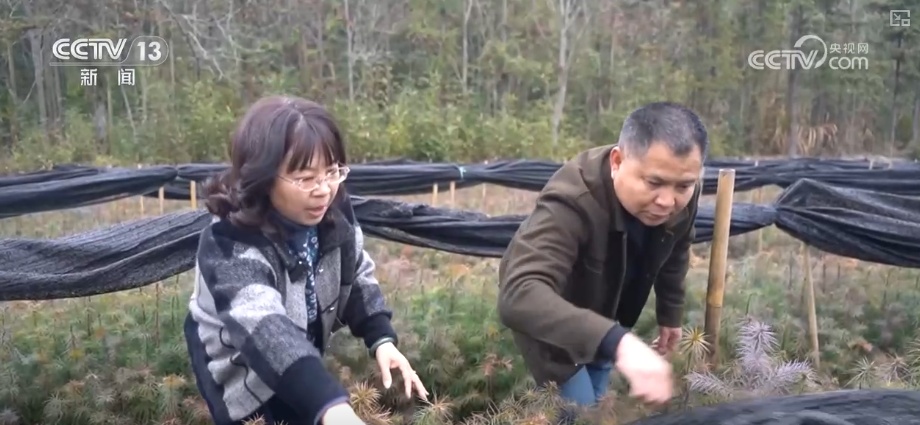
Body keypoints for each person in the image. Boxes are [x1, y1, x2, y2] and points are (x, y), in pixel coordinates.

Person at [183, 95, 429, 425]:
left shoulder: (332, 212)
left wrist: (381, 338)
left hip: (301, 356)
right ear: (264, 176)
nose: (323, 190)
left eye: (332, 171)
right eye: (305, 178)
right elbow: (265, 328)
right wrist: (330, 405)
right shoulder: (230, 240)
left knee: (307, 401)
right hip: (242, 368)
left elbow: (356, 274)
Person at [497, 101, 707, 415]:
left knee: (597, 402)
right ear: (617, 161)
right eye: (653, 183)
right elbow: (519, 294)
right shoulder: (573, 199)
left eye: (684, 186)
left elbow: (677, 246)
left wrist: (670, 313)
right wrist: (619, 343)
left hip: (610, 312)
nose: (667, 201)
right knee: (578, 410)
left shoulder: (682, 190)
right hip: (555, 319)